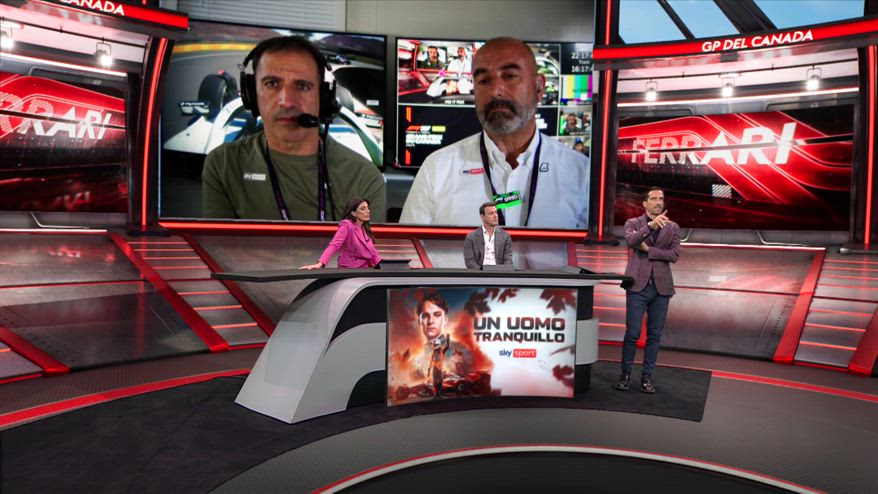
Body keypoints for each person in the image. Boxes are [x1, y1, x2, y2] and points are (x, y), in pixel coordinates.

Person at [400, 37, 589, 228]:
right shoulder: (437, 169)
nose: (495, 90)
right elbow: (407, 246)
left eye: (510, 76)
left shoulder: (582, 173)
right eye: (484, 80)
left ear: (539, 87)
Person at [202, 36, 386, 222]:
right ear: (251, 94)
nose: (286, 101)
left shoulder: (364, 178)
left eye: (302, 86)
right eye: (272, 84)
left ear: (323, 98)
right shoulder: (223, 165)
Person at [614, 187, 680, 394]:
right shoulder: (633, 223)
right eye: (654, 198)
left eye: (661, 199)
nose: (658, 202)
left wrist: (648, 250)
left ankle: (646, 378)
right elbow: (632, 242)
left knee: (654, 335)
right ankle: (625, 376)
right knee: (632, 333)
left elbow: (674, 255)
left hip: (662, 288)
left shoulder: (673, 227)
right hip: (637, 286)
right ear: (645, 203)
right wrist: (650, 226)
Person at [300, 197, 381, 269]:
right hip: (350, 270)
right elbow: (334, 245)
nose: (368, 211)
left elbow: (373, 253)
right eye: (363, 209)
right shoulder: (347, 225)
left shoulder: (365, 229)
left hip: (365, 270)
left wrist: (382, 266)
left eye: (368, 208)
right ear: (353, 213)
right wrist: (320, 263)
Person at [415, 292, 468, 397]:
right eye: (425, 315)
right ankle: (437, 394)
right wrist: (429, 370)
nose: (430, 321)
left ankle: (438, 394)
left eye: (437, 314)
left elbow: (446, 348)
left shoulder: (459, 347)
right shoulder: (419, 354)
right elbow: (430, 362)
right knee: (436, 382)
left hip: (441, 372)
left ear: (445, 319)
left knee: (439, 382)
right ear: (420, 321)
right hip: (435, 371)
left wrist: (447, 339)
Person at [464, 201, 513, 269]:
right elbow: (469, 262)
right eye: (491, 213)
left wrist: (501, 272)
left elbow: (508, 261)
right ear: (482, 217)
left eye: (496, 212)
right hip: (479, 273)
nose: (495, 216)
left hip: (499, 273)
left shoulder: (505, 236)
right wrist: (481, 273)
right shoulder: (471, 237)